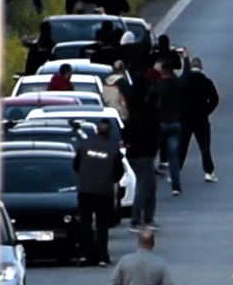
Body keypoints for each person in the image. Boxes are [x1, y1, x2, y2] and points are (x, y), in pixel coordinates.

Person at [74, 121, 125, 268]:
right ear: (109, 132)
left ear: (96, 130)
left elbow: (76, 165)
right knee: (102, 224)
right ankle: (102, 256)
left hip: (85, 190)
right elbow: (118, 171)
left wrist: (85, 177)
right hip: (104, 191)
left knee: (85, 223)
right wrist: (110, 180)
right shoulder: (113, 148)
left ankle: (83, 254)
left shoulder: (84, 145)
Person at [149, 59, 188, 196]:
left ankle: (148, 185)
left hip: (159, 123)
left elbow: (149, 102)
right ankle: (175, 186)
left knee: (151, 155)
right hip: (175, 122)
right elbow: (186, 77)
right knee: (173, 157)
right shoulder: (178, 84)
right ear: (172, 72)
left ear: (162, 72)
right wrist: (186, 60)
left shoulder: (157, 86)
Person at [124, 90, 161, 230]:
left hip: (134, 154)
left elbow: (126, 132)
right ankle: (138, 219)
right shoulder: (153, 116)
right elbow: (154, 136)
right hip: (144, 155)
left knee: (149, 186)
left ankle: (147, 217)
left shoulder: (137, 114)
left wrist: (128, 142)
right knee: (144, 186)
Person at [179, 57, 219, 183]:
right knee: (204, 146)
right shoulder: (206, 82)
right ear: (201, 68)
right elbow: (214, 99)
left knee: (182, 146)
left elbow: (176, 98)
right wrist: (206, 111)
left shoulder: (183, 81)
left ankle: (176, 171)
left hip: (185, 118)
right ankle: (209, 172)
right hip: (201, 118)